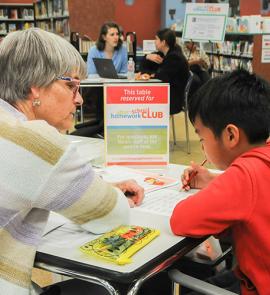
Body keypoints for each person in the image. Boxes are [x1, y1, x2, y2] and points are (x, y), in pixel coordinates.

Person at [0, 28, 144, 295]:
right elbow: (112, 215)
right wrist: (114, 196)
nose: (79, 99)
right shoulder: (34, 140)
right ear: (35, 86)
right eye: (71, 85)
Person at [170, 69, 270, 294]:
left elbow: (182, 220)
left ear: (231, 136)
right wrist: (214, 180)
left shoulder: (245, 175)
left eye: (201, 138)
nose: (202, 146)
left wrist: (217, 185)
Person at [139, 28, 189, 115]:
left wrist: (149, 74)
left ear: (163, 42)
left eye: (156, 39)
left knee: (142, 102)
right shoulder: (163, 53)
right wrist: (147, 57)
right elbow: (143, 68)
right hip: (166, 94)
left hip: (173, 99)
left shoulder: (175, 58)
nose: (154, 42)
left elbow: (162, 77)